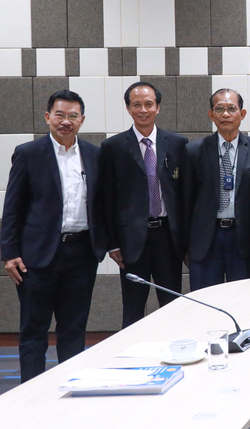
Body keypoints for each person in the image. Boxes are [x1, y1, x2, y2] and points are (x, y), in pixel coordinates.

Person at [0, 90, 105, 382]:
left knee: (74, 329)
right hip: (37, 256)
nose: (66, 121)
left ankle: (71, 389)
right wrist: (9, 252)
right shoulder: (28, 153)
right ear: (48, 117)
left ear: (82, 120)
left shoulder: (95, 155)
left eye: (73, 116)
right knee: (34, 330)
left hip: (81, 254)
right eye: (59, 115)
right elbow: (12, 207)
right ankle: (32, 395)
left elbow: (102, 204)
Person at [98, 82, 188, 328]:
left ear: (158, 107)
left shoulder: (177, 143)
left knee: (172, 304)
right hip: (131, 239)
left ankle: (172, 346)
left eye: (149, 104)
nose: (143, 110)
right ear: (128, 108)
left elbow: (184, 194)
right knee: (133, 306)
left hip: (168, 237)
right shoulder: (113, 147)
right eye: (136, 104)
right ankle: (133, 350)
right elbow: (106, 198)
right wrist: (112, 243)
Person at [183, 89, 250, 290]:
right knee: (204, 301)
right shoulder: (194, 151)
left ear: (242, 113)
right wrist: (186, 246)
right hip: (206, 240)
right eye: (219, 109)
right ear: (211, 115)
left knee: (242, 300)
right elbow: (186, 201)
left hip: (243, 240)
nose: (226, 114)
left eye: (232, 108)